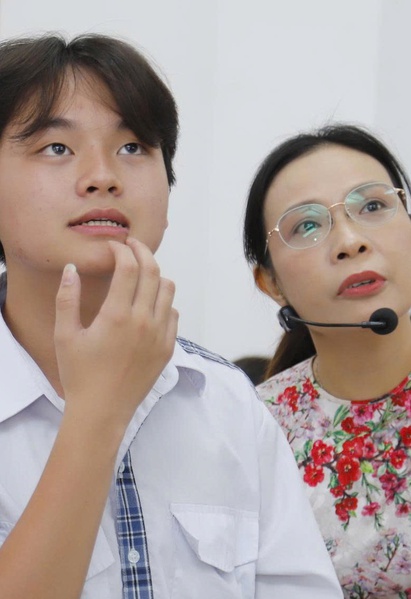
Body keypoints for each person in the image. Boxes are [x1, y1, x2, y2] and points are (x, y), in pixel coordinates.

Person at [0, 33, 342, 599]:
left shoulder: (228, 403)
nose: (103, 175)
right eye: (56, 147)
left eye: (134, 147)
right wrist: (98, 410)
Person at [243, 122, 411, 597]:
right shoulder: (253, 428)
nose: (351, 242)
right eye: (308, 225)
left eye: (373, 205)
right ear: (271, 284)